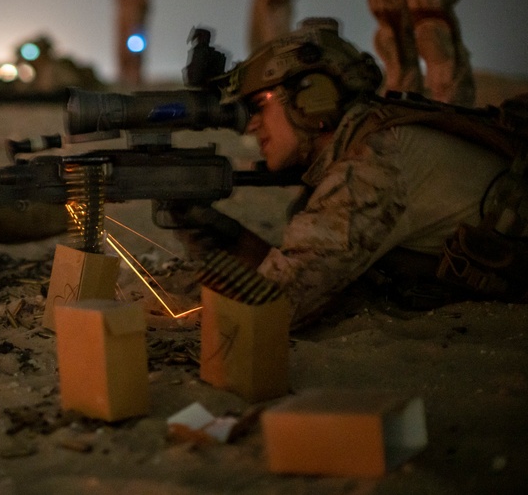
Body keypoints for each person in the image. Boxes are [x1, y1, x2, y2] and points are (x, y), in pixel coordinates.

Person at [182, 17, 525, 327]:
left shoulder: (372, 165)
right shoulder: (369, 141)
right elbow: (298, 270)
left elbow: (276, 307)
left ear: (311, 99)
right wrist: (220, 234)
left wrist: (216, 250)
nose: (251, 126)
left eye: (259, 106)